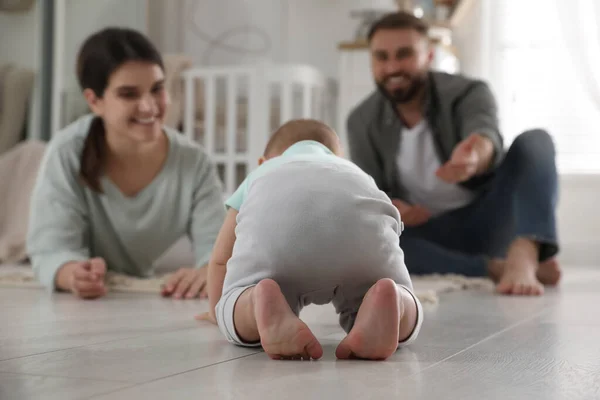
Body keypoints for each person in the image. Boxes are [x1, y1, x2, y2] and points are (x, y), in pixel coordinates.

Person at [346, 12, 561, 296]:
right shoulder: (361, 121)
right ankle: (494, 268)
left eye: (404, 54)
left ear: (429, 55)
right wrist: (396, 208)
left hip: (490, 217)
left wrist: (475, 156)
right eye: (382, 57)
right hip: (430, 233)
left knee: (536, 141)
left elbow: (485, 133)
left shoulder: (467, 92)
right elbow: (372, 195)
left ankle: (525, 251)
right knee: (373, 243)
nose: (392, 66)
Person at [196, 119, 423, 360]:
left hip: (277, 247)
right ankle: (394, 301)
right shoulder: (354, 173)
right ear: (338, 158)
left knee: (239, 301)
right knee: (391, 295)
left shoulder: (261, 173)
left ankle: (255, 303)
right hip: (360, 239)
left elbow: (221, 259)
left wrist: (219, 311)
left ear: (264, 162)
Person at [26, 27, 226, 300]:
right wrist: (72, 273)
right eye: (128, 94)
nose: (148, 106)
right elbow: (51, 248)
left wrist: (208, 269)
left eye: (157, 89)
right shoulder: (66, 152)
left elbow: (219, 249)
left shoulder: (195, 163)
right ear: (94, 101)